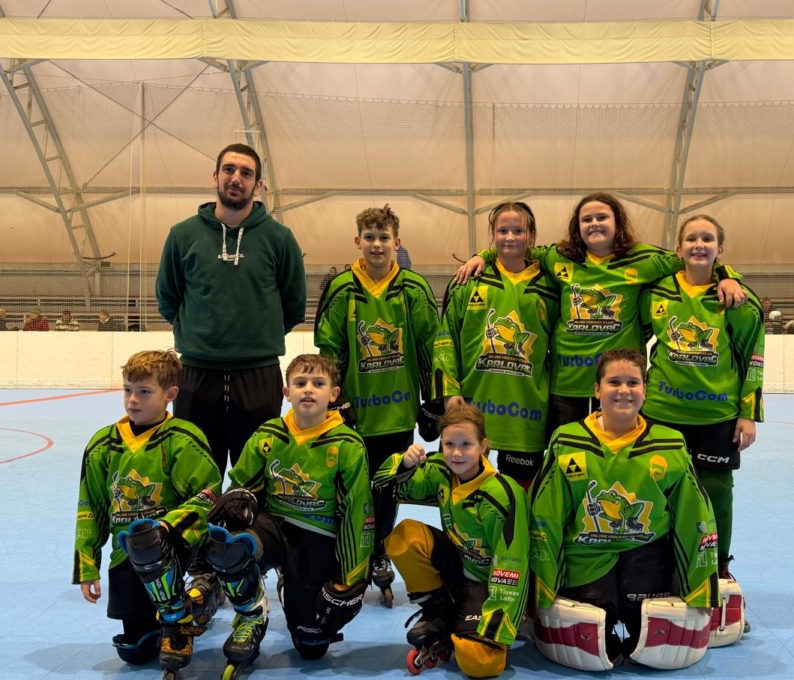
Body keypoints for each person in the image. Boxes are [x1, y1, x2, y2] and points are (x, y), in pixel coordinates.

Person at [455, 192, 746, 435]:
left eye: (602, 217)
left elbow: (693, 256)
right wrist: (483, 255)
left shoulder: (642, 259)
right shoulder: (560, 257)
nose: (594, 223)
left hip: (620, 384)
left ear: (617, 222)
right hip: (567, 384)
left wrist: (726, 275)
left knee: (619, 457)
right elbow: (519, 248)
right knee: (569, 458)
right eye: (587, 219)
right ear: (577, 226)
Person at [530, 349, 722, 672]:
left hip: (646, 560)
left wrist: (702, 588)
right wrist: (542, 589)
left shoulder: (671, 444)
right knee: (592, 642)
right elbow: (544, 518)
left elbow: (696, 519)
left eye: (633, 382)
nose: (623, 390)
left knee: (657, 643)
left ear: (645, 389)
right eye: (614, 382)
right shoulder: (567, 441)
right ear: (597, 390)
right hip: (585, 560)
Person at [202, 354, 373, 672]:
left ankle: (289, 585)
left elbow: (357, 513)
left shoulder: (348, 444)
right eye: (300, 383)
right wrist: (237, 497)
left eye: (318, 383)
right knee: (229, 546)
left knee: (312, 647)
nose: (308, 389)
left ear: (333, 394)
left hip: (318, 536)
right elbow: (241, 485)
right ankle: (252, 614)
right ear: (286, 392)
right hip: (273, 526)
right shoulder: (269, 435)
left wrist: (351, 577)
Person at [156, 143, 307, 478]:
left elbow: (295, 304)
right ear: (215, 177)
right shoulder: (182, 235)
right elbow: (167, 296)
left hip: (258, 374)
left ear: (258, 185)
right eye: (229, 170)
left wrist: (257, 335)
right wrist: (197, 333)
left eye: (246, 173)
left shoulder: (280, 238)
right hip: (196, 374)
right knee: (193, 476)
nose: (236, 178)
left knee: (255, 478)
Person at [314, 203, 438, 606]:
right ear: (358, 241)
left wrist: (433, 400)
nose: (377, 244)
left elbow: (430, 346)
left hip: (398, 415)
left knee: (387, 490)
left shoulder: (413, 288)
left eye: (384, 237)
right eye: (370, 237)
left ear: (397, 242)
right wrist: (337, 401)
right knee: (349, 490)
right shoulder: (342, 288)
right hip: (354, 415)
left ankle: (380, 549)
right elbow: (329, 349)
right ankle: (347, 552)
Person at [73, 350, 222, 674]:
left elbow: (208, 493)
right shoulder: (103, 444)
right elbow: (91, 506)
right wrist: (87, 565)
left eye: (144, 391)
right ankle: (185, 605)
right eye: (128, 389)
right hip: (127, 550)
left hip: (175, 544)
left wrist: (168, 525)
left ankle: (199, 598)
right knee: (136, 650)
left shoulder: (182, 439)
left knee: (152, 547)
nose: (133, 400)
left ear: (170, 394)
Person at [639, 214, 764, 591]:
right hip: (660, 413)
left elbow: (753, 356)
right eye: (691, 238)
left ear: (719, 249)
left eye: (707, 239)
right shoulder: (656, 293)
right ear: (678, 249)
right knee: (656, 491)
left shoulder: (738, 300)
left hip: (716, 417)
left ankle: (718, 565)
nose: (699, 245)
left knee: (716, 495)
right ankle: (658, 565)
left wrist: (748, 414)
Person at [374, 402, 530, 678]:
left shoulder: (502, 494)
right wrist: (403, 462)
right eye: (449, 444)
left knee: (479, 663)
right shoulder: (441, 470)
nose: (456, 453)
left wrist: (497, 625)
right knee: (402, 537)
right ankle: (440, 612)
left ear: (483, 446)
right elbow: (383, 483)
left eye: (466, 444)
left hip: (488, 584)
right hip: (457, 569)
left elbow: (512, 565)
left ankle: (468, 627)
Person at [435, 202, 558, 487]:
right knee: (467, 494)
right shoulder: (468, 280)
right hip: (473, 408)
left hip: (526, 415)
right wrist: (448, 391)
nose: (510, 237)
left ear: (531, 235)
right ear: (493, 234)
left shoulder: (550, 286)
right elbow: (446, 340)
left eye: (518, 230)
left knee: (519, 498)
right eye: (503, 231)